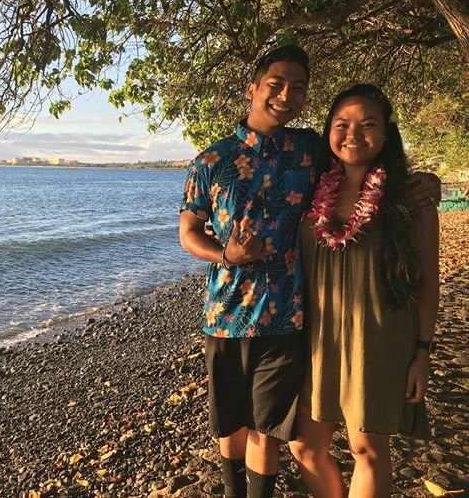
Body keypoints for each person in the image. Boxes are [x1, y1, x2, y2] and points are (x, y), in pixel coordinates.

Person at [178, 46, 440, 498]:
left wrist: (422, 351)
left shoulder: (319, 158)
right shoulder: (228, 163)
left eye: (298, 88)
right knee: (270, 434)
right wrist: (226, 255)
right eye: (275, 84)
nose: (286, 95)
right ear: (252, 88)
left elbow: (426, 279)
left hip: (328, 329)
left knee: (333, 442)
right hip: (271, 323)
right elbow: (188, 231)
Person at [288, 84, 439, 498]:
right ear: (328, 131)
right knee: (305, 447)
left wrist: (423, 353)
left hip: (378, 340)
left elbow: (428, 284)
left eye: (367, 124)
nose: (353, 134)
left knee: (367, 450)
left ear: (387, 133)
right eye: (342, 124)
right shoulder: (307, 188)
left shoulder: (411, 198)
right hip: (315, 339)